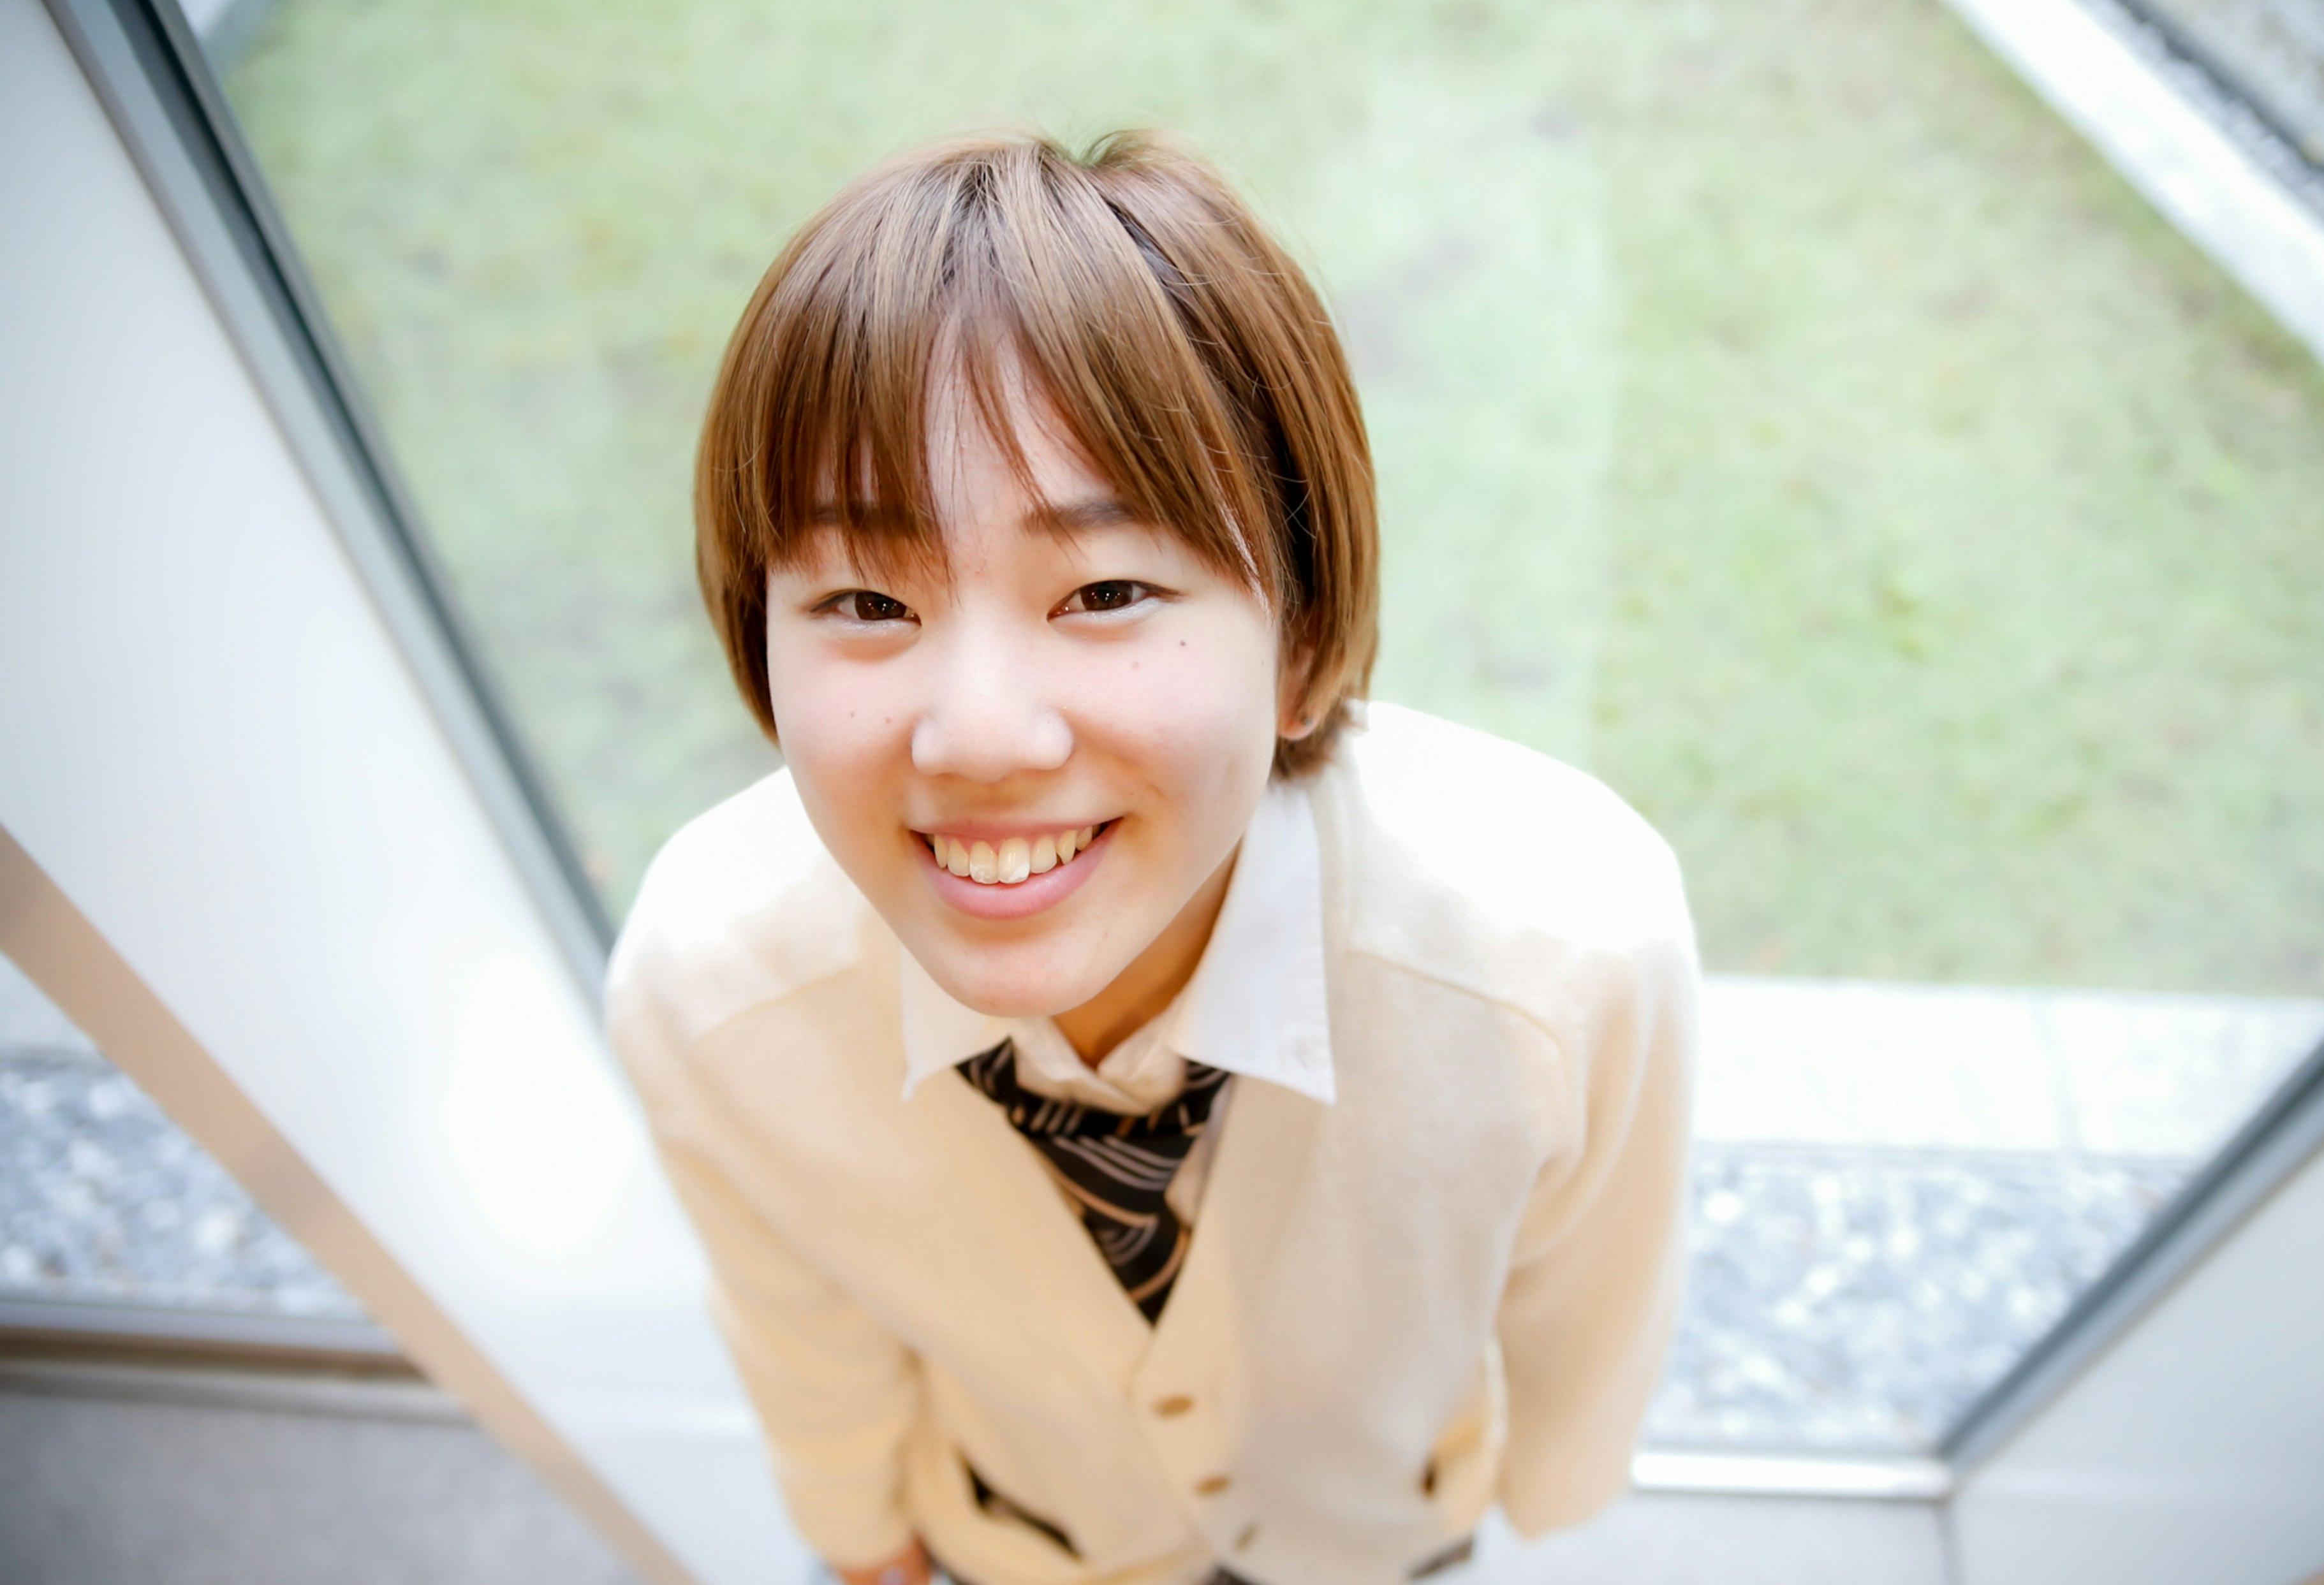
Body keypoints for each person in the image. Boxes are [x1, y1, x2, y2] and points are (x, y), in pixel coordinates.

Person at [607, 129, 1697, 1585]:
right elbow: (800, 1319)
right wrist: (859, 1537)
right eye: (868, 598)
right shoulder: (708, 981)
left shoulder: (1565, 948)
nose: (978, 736)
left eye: (1107, 588)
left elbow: (1591, 1299)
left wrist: (1557, 1482)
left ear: (1302, 641)